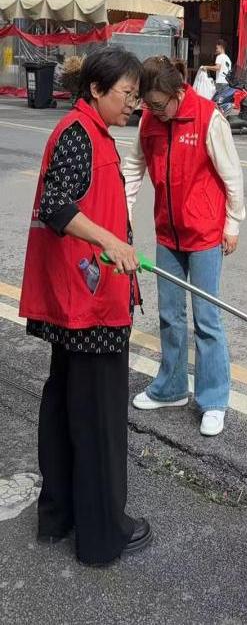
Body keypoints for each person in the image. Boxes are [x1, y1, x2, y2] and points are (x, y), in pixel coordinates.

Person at [19, 46, 153, 566]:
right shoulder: (79, 134)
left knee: (66, 407)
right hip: (90, 304)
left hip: (75, 298)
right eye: (127, 94)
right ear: (96, 90)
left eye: (136, 96)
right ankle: (102, 537)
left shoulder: (89, 132)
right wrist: (111, 241)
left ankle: (60, 516)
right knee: (97, 419)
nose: (133, 104)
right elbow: (57, 205)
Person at [122, 56, 245, 436]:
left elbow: (232, 175)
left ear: (179, 93)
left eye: (160, 105)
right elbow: (133, 167)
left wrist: (232, 224)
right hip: (168, 234)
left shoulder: (208, 118)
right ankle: (171, 387)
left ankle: (213, 400)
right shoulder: (149, 121)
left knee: (207, 320)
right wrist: (123, 212)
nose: (154, 111)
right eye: (148, 105)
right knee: (170, 316)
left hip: (205, 235)